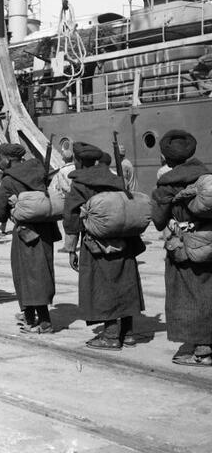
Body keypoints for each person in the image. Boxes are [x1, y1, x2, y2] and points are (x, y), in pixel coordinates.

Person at [61, 142, 145, 350]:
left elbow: (71, 217)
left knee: (103, 286)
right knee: (125, 283)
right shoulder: (116, 180)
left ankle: (110, 335)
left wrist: (71, 248)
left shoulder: (79, 184)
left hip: (95, 243)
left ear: (78, 162)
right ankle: (129, 333)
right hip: (124, 241)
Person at [151, 130, 212, 366]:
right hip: (208, 243)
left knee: (189, 295)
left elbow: (157, 221)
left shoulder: (167, 185)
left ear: (166, 157)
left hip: (185, 248)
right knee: (207, 290)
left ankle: (202, 348)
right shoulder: (206, 178)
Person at [0, 143, 62, 333]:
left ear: (7, 159)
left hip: (24, 232)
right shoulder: (38, 171)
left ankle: (41, 320)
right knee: (43, 271)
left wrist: (12, 211)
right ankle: (32, 315)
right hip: (46, 231)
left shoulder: (8, 180)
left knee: (25, 274)